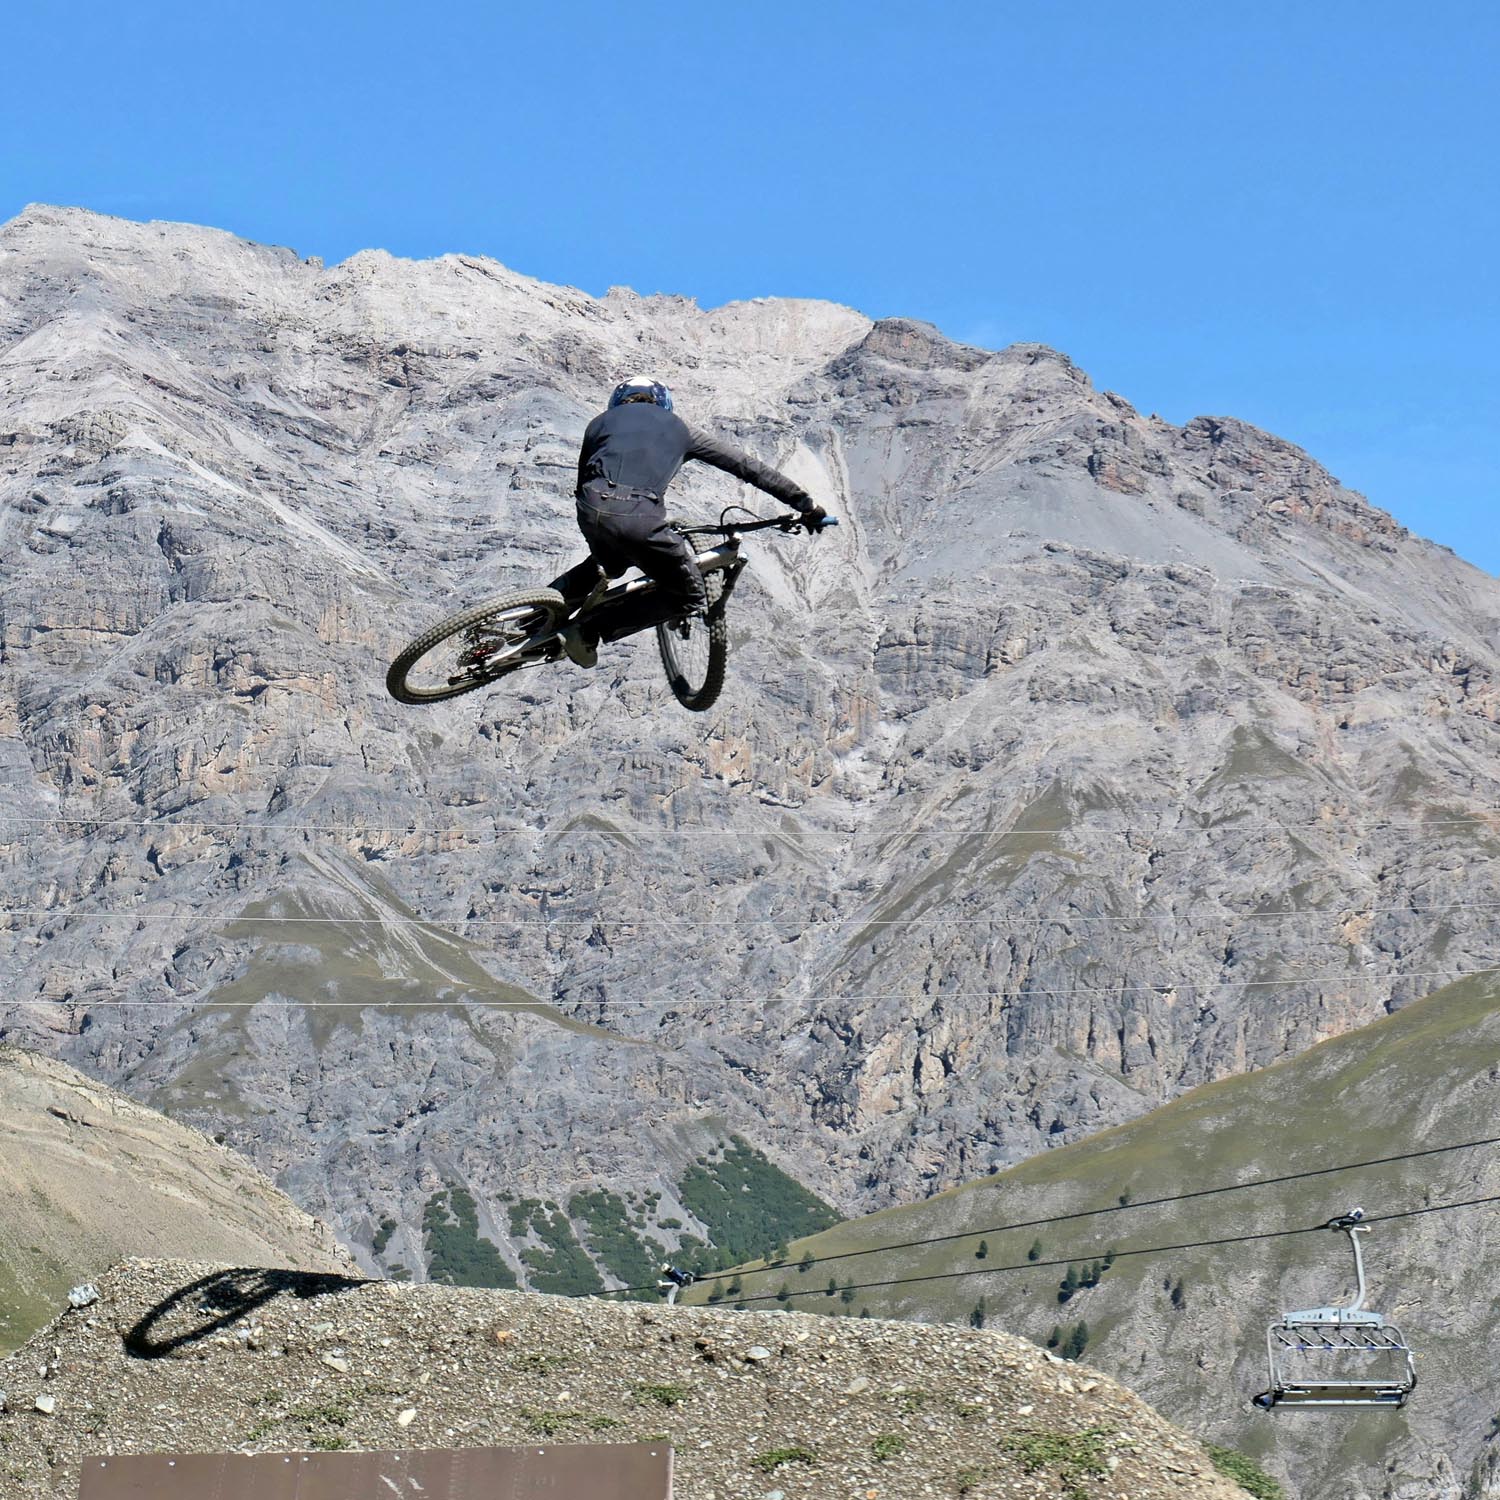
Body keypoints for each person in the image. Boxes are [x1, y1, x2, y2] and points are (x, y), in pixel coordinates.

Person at [549, 376, 827, 666]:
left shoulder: (599, 423)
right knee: (689, 594)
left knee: (607, 564)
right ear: (663, 402)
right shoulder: (680, 429)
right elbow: (747, 467)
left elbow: (582, 479)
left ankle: (532, 616)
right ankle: (589, 631)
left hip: (590, 509)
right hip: (639, 516)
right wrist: (804, 504)